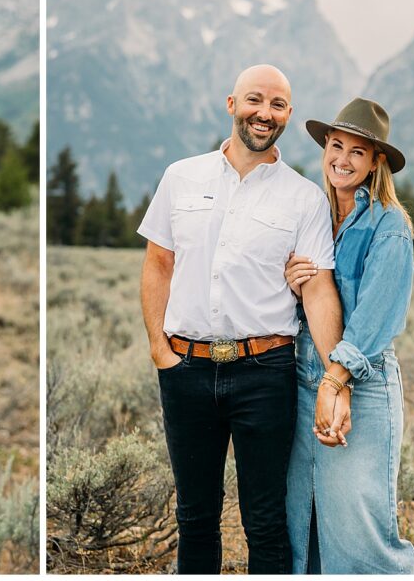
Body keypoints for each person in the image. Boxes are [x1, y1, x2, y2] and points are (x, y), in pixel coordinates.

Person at [138, 64, 345, 574]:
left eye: (277, 106)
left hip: (265, 373)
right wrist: (160, 351)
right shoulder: (180, 177)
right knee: (195, 518)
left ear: (288, 116)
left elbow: (318, 290)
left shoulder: (304, 198)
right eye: (255, 100)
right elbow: (157, 263)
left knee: (267, 521)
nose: (264, 113)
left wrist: (336, 375)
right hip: (185, 369)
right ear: (231, 104)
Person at [283, 98, 414, 574]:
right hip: (303, 379)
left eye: (357, 152)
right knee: (306, 522)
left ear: (376, 162)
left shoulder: (389, 225)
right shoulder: (313, 212)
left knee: (359, 533)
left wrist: (335, 381)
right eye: (335, 146)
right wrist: (291, 280)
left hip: (359, 385)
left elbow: (375, 317)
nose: (341, 159)